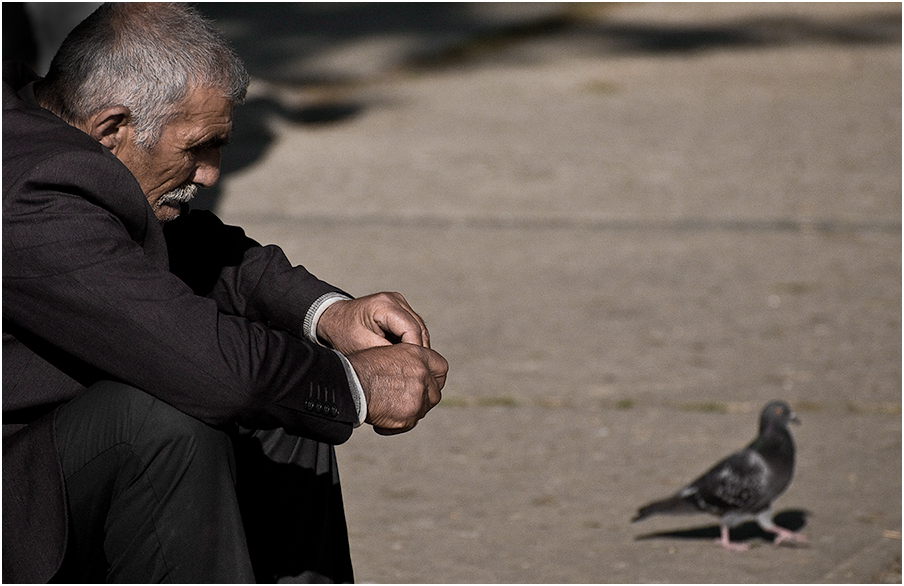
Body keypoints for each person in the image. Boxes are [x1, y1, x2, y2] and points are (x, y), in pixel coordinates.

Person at [2, 3, 448, 583]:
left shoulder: (45, 120)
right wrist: (355, 385)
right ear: (112, 128)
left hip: (44, 451)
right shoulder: (30, 190)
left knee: (278, 399)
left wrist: (327, 314)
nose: (211, 174)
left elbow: (192, 243)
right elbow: (207, 368)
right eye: (199, 146)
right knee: (167, 413)